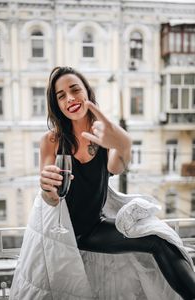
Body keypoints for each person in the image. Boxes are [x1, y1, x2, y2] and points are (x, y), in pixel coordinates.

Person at [40, 66, 195, 300]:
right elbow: (50, 198)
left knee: (160, 240)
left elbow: (116, 167)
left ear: (87, 94)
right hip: (60, 231)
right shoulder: (51, 140)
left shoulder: (104, 135)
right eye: (61, 96)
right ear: (57, 104)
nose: (70, 98)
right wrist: (46, 188)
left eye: (75, 89)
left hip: (92, 229)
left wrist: (123, 144)